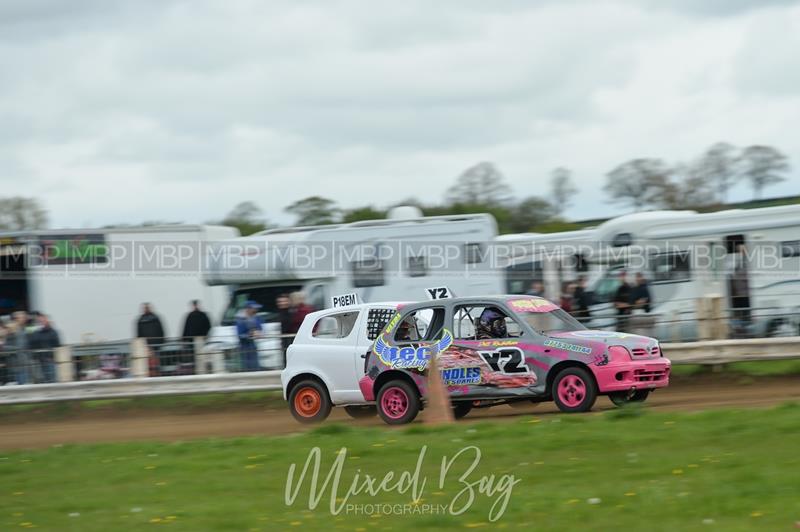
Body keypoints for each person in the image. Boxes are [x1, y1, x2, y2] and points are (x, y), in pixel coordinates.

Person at [136, 303, 166, 376]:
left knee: (155, 361)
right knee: (149, 362)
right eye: (145, 308)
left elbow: (161, 330)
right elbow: (139, 333)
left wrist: (161, 341)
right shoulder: (154, 318)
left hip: (154, 344)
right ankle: (153, 374)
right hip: (147, 345)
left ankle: (156, 374)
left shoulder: (142, 319)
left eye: (147, 308)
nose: (146, 309)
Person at [29, 313, 60, 383]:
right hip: (40, 360)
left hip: (50, 360)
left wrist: (53, 356)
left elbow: (57, 345)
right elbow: (32, 345)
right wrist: (34, 357)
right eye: (40, 321)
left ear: (47, 321)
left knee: (52, 379)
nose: (41, 323)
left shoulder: (53, 332)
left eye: (43, 321)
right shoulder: (36, 333)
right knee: (42, 380)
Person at [236, 301, 263, 371]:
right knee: (246, 366)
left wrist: (258, 332)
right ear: (248, 309)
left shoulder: (256, 317)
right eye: (254, 308)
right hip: (244, 346)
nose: (256, 310)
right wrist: (249, 334)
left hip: (253, 344)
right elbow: (239, 335)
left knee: (255, 365)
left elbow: (260, 328)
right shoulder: (240, 319)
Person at [276, 294, 293, 367]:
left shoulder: (291, 312)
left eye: (284, 301)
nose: (282, 303)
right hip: (284, 340)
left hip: (290, 339)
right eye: (280, 302)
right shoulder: (279, 314)